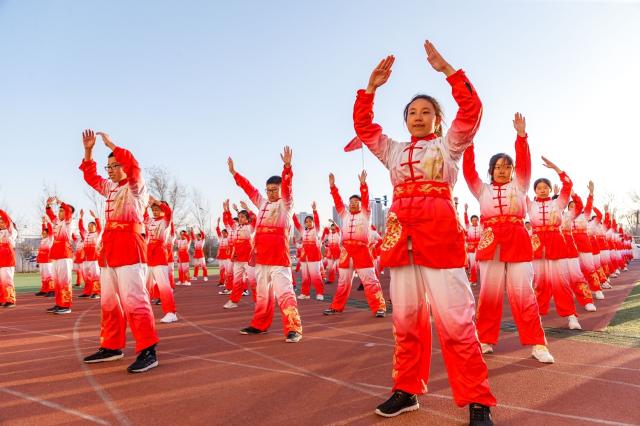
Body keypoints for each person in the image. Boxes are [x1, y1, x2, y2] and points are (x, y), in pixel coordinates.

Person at [348, 41, 495, 423]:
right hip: (401, 242)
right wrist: (371, 88)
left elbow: (472, 110)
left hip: (440, 239)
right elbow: (363, 127)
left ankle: (477, 399)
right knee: (406, 321)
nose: (417, 116)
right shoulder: (392, 151)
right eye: (412, 112)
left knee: (457, 321)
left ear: (437, 120)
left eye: (426, 112)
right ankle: (407, 388)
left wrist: (448, 70)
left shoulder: (450, 147)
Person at [462, 113, 553, 363]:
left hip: (517, 239)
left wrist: (521, 136)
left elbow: (525, 163)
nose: (502, 170)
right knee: (488, 295)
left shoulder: (520, 185)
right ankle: (485, 339)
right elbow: (468, 170)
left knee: (524, 293)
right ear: (490, 170)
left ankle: (537, 344)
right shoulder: (481, 189)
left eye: (507, 166)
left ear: (513, 170)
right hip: (490, 241)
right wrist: (469, 144)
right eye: (498, 167)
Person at [79, 129, 159, 373]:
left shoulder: (136, 188)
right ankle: (112, 346)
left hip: (129, 246)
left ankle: (148, 350)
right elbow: (91, 177)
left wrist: (112, 145)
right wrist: (89, 151)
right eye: (109, 167)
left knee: (135, 300)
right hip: (109, 249)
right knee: (109, 302)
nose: (111, 170)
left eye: (115, 165)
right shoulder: (109, 188)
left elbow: (134, 168)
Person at [227, 147, 303, 343]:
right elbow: (249, 188)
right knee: (262, 295)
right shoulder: (261, 204)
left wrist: (287, 168)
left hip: (278, 258)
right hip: (260, 258)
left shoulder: (286, 204)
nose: (270, 193)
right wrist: (235, 174)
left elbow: (287, 187)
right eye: (268, 190)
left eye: (274, 190)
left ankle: (293, 328)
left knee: (285, 293)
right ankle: (260, 324)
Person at [527, 158, 581, 330]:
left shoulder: (558, 203)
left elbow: (568, 185)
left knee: (561, 281)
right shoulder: (529, 205)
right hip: (537, 244)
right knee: (539, 282)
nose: (542, 190)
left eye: (545, 188)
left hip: (556, 242)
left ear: (550, 189)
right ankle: (538, 313)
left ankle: (571, 316)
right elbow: (518, 188)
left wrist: (556, 169)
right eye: (539, 188)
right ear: (534, 190)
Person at [324, 171, 386, 317]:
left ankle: (379, 308)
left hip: (362, 251)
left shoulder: (365, 214)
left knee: (370, 281)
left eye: (355, 203)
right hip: (346, 251)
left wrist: (363, 185)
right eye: (350, 203)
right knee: (343, 282)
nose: (352, 205)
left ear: (360, 205)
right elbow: (338, 202)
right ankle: (336, 307)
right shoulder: (344, 215)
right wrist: (333, 187)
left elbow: (365, 199)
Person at [145, 197, 178, 323]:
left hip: (159, 254)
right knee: (145, 285)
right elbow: (142, 217)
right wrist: (145, 205)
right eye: (153, 210)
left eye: (157, 209)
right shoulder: (150, 221)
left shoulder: (166, 221)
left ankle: (171, 312)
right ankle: (144, 311)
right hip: (149, 255)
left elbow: (169, 212)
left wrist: (158, 202)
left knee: (164, 286)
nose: (155, 211)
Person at [224, 201, 257, 308]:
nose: (240, 218)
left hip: (248, 259)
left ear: (247, 219)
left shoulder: (250, 228)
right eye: (239, 217)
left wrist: (247, 208)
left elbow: (255, 218)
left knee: (253, 281)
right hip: (237, 259)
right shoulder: (236, 227)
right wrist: (227, 210)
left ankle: (258, 302)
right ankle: (233, 301)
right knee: (237, 281)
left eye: (243, 217)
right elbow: (229, 221)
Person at [45, 197, 75, 314]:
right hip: (56, 255)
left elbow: (67, 210)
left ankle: (66, 306)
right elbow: (51, 215)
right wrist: (48, 205)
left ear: (68, 213)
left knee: (64, 281)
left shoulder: (68, 222)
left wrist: (61, 203)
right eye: (59, 210)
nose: (60, 212)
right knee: (57, 282)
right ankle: (58, 303)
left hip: (64, 255)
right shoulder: (57, 222)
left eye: (62, 210)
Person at [293, 202, 325, 300]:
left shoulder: (316, 230)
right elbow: (296, 224)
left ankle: (320, 293)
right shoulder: (303, 231)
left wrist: (314, 211)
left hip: (314, 256)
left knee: (316, 276)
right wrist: (292, 213)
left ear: (313, 222)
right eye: (306, 222)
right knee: (305, 276)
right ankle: (305, 293)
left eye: (310, 221)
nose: (308, 223)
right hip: (304, 257)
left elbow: (318, 221)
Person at [79, 210, 102, 299]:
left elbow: (100, 227)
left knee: (95, 276)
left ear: (95, 227)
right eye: (88, 226)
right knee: (86, 277)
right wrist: (81, 217)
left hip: (94, 259)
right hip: (86, 259)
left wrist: (95, 217)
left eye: (92, 226)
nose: (89, 227)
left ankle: (96, 292)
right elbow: (81, 228)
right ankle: (87, 292)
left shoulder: (97, 234)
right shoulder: (85, 234)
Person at [0, 209, 17, 308]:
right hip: (0, 261)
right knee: (1, 281)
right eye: (0, 222)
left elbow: (6, 218)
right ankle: (2, 299)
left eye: (2, 222)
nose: (1, 224)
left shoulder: (11, 231)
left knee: (7, 280)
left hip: (8, 260)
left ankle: (10, 299)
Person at [35, 217, 54, 297]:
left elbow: (50, 230)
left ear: (48, 233)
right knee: (43, 276)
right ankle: (44, 290)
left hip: (48, 261)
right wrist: (43, 223)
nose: (43, 233)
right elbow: (39, 252)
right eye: (42, 233)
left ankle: (52, 290)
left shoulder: (50, 239)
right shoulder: (43, 240)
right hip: (42, 261)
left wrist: (47, 222)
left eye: (44, 232)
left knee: (49, 275)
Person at [463, 204, 482, 285]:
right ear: (471, 221)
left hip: (480, 248)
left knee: (481, 266)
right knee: (473, 266)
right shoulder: (468, 227)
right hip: (471, 249)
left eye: (476, 220)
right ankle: (473, 280)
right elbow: (466, 220)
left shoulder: (481, 227)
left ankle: (484, 281)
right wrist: (466, 210)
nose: (474, 221)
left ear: (477, 220)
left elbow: (483, 218)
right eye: (473, 220)